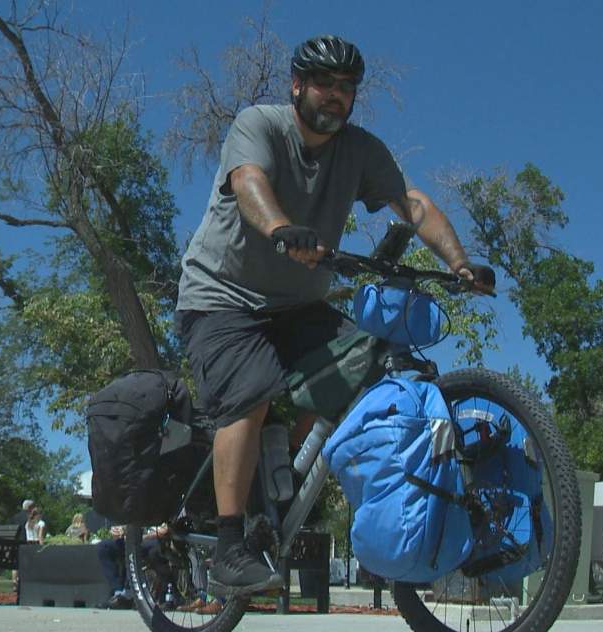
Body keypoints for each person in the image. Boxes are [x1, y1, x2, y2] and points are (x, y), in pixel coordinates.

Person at [174, 34, 492, 596]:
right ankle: (227, 548)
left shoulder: (361, 151)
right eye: (324, 83)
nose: (336, 96)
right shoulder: (261, 124)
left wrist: (461, 264)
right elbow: (250, 182)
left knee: (369, 367)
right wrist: (279, 228)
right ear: (297, 86)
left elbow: (411, 205)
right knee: (250, 390)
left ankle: (281, 487)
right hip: (222, 297)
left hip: (298, 306)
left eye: (347, 88)